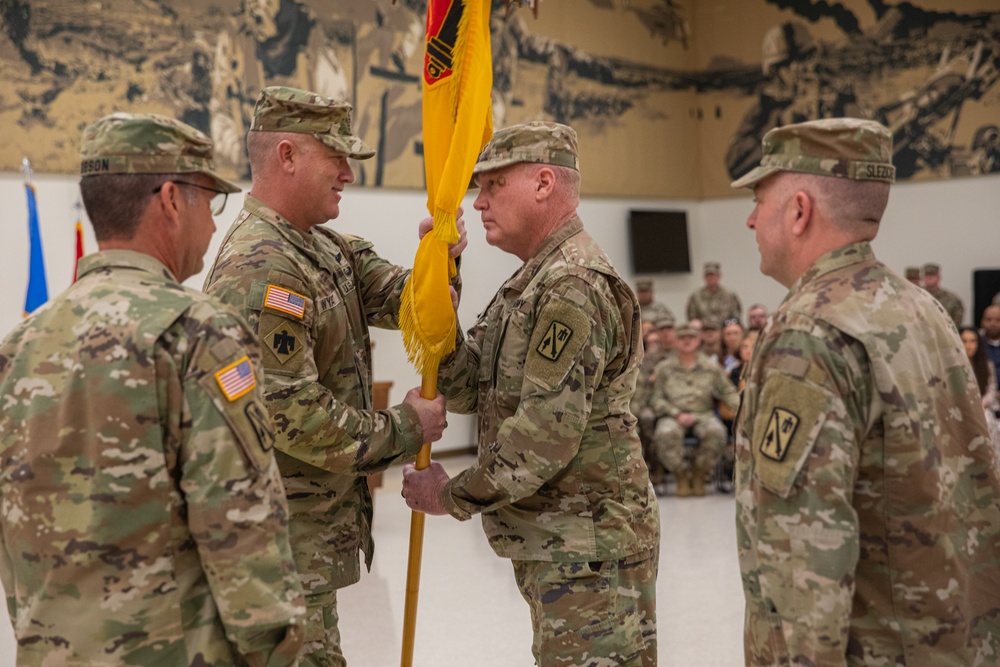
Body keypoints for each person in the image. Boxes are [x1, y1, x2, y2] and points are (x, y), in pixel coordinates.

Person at [0, 113, 306, 665]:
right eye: (210, 204)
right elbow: (241, 525)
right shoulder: (198, 334)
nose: (214, 228)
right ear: (170, 199)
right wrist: (277, 650)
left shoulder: (19, 347)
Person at [732, 117, 1000, 665]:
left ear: (800, 210)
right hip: (954, 641)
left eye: (760, 199)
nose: (750, 219)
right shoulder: (922, 310)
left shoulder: (811, 333)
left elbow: (806, 549)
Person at [203, 86, 450, 666]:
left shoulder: (323, 247)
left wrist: (442, 261)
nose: (348, 173)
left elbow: (409, 303)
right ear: (287, 156)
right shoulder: (265, 265)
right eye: (335, 156)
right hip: (278, 546)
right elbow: (292, 415)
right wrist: (406, 427)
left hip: (308, 540)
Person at [401, 121, 660, 666]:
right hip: (561, 540)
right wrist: (443, 277)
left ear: (544, 183)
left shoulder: (573, 285)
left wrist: (449, 497)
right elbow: (474, 386)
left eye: (493, 185)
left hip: (590, 545)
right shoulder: (534, 281)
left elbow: (542, 439)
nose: (477, 202)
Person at [650, 322, 739, 497]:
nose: (687, 341)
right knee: (665, 433)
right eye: (682, 338)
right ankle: (681, 475)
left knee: (716, 432)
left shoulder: (711, 367)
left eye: (691, 337)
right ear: (676, 341)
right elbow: (656, 398)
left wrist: (742, 408)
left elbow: (727, 391)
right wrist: (675, 413)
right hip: (673, 415)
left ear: (698, 341)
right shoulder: (664, 369)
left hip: (703, 415)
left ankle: (699, 474)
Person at [633, 314, 677, 494]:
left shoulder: (677, 354)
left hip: (669, 400)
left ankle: (658, 469)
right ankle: (648, 469)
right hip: (648, 401)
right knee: (645, 418)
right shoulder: (648, 355)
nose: (665, 334)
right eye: (662, 330)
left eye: (669, 329)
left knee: (649, 419)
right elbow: (643, 381)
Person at [960, 327, 1000, 456]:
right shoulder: (951, 367)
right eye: (964, 341)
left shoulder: (987, 364)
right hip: (958, 408)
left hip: (982, 407)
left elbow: (991, 390)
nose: (968, 345)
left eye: (972, 341)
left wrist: (980, 405)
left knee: (987, 421)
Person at [922, 262, 964, 328]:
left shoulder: (951, 298)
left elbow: (957, 319)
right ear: (922, 277)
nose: (929, 277)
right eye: (927, 275)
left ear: (938, 277)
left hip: (944, 333)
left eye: (932, 275)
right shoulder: (916, 296)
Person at [981, 304, 1000, 405]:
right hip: (984, 399)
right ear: (982, 321)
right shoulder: (976, 346)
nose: (993, 324)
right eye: (989, 320)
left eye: (998, 320)